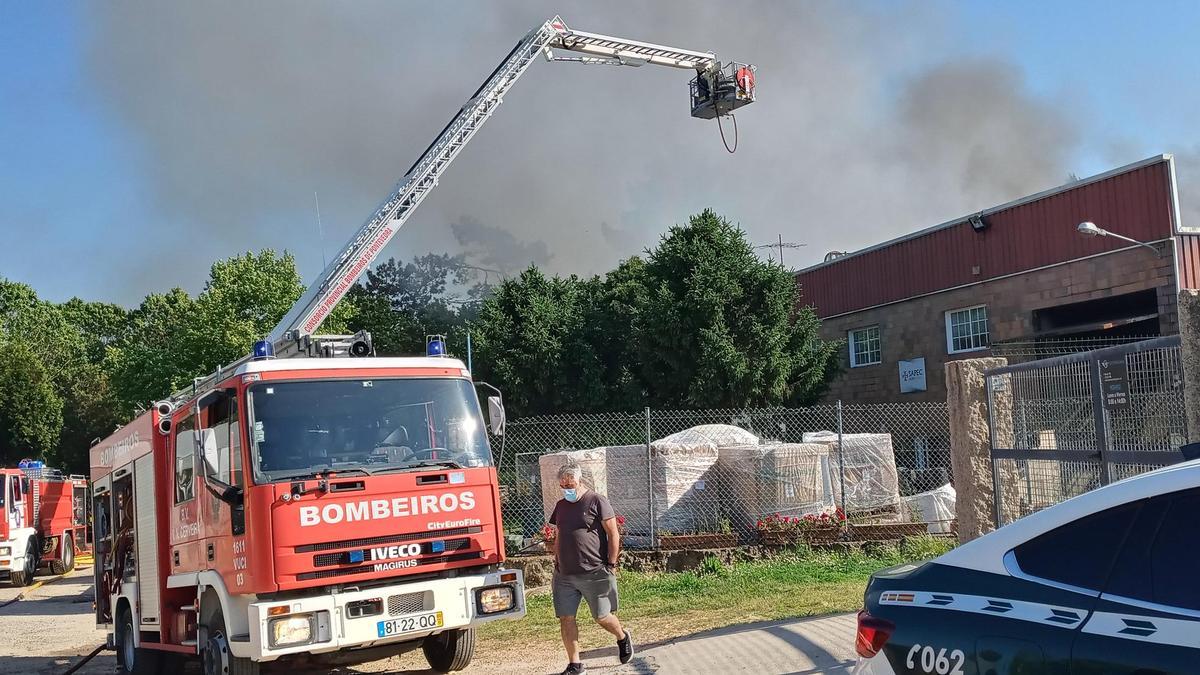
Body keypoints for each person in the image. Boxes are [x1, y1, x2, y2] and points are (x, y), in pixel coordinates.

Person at [549, 463, 633, 675]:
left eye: (570, 483)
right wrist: (556, 560)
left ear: (580, 481)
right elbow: (558, 533)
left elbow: (613, 533)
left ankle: (622, 636)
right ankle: (575, 664)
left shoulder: (597, 501)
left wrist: (611, 564)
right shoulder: (560, 506)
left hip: (594, 572)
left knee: (601, 617)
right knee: (566, 617)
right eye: (563, 485)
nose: (567, 488)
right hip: (564, 575)